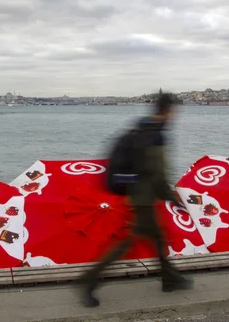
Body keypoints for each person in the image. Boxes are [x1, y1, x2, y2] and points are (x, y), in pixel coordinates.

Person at [79, 92, 193, 307]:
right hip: (144, 199)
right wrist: (173, 198)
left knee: (158, 239)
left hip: (138, 194)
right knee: (128, 243)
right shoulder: (156, 135)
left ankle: (170, 280)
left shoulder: (142, 128)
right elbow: (157, 173)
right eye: (174, 111)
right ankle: (89, 280)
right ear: (168, 111)